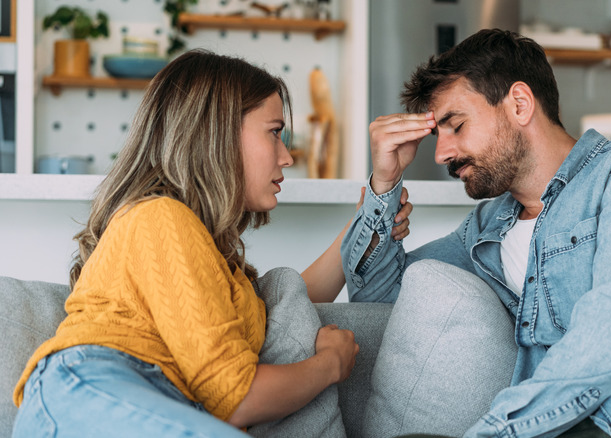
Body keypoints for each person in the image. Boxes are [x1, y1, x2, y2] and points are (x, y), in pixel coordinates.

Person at [341, 28, 611, 437]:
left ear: (519, 104)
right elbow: (380, 298)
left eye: (456, 125)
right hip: (577, 425)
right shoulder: (486, 229)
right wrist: (384, 184)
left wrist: (494, 432)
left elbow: (610, 338)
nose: (441, 154)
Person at [11, 49, 412, 437]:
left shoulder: (212, 261)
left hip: (137, 398)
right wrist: (330, 365)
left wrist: (370, 216)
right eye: (274, 133)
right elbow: (236, 399)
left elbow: (290, 302)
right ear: (217, 133)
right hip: (92, 390)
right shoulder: (159, 217)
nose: (287, 157)